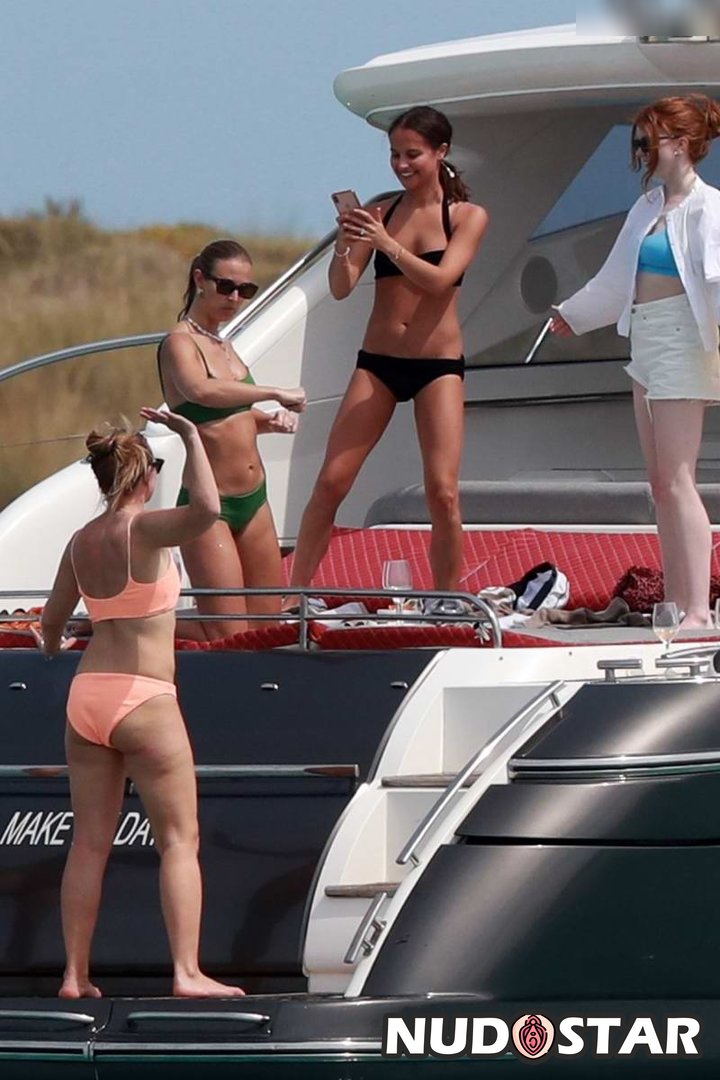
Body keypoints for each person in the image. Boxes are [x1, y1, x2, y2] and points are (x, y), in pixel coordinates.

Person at [39, 408, 245, 998]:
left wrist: (63, 642)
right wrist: (191, 436)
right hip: (144, 695)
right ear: (144, 476)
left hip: (87, 695)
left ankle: (74, 975)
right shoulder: (146, 530)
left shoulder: (80, 542)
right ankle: (187, 973)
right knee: (179, 840)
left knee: (88, 843)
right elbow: (207, 510)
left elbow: (51, 626)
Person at [288, 106, 489, 599]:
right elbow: (342, 287)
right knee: (331, 483)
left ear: (441, 152)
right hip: (378, 363)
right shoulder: (382, 212)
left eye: (412, 154)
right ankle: (293, 596)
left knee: (443, 491)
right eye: (395, 154)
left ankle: (446, 599)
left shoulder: (466, 217)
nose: (401, 164)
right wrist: (347, 243)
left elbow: (441, 281)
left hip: (438, 367)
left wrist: (387, 244)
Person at [552, 94, 720, 629]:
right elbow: (615, 278)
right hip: (644, 341)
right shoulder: (647, 207)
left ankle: (698, 609)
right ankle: (675, 601)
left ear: (680, 143)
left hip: (683, 340)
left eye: (648, 140)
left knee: (678, 478)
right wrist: (574, 314)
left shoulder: (709, 208)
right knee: (659, 480)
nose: (641, 151)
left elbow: (717, 284)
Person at [158, 240, 306, 639]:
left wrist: (268, 420)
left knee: (266, 628)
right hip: (210, 506)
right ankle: (124, 624)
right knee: (228, 634)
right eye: (226, 287)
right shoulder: (179, 343)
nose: (236, 298)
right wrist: (273, 392)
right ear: (200, 279)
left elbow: (229, 416)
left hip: (255, 498)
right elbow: (201, 392)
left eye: (246, 290)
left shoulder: (223, 343)